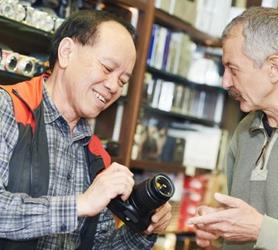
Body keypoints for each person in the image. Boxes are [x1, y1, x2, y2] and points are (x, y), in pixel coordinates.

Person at [0, 10, 172, 250]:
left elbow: (100, 245)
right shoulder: (7, 108)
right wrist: (79, 204)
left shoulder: (96, 154)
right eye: (106, 68)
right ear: (67, 52)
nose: (113, 86)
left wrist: (143, 230)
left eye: (123, 81)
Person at [187, 6, 278, 250]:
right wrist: (220, 229)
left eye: (233, 69)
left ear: (273, 68)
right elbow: (248, 230)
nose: (225, 82)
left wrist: (261, 229)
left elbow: (258, 228)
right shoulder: (244, 131)